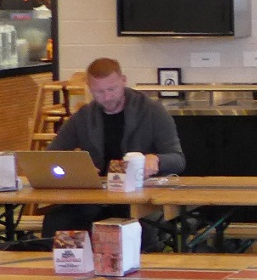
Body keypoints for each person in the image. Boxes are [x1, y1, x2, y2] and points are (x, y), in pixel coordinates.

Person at [46, 57, 186, 235]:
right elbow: (51, 155)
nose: (107, 97)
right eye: (99, 92)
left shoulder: (152, 111)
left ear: (124, 81)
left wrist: (157, 159)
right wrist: (76, 168)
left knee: (139, 230)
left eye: (112, 89)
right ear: (90, 89)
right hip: (97, 198)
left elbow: (178, 160)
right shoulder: (84, 117)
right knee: (56, 220)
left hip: (139, 197)